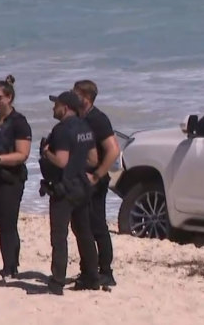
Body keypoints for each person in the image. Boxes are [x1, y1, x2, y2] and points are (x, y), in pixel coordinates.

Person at [40, 90, 100, 295]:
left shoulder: (61, 130)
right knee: (84, 233)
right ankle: (92, 276)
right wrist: (77, 162)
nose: (53, 107)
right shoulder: (86, 127)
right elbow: (93, 160)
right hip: (82, 187)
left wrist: (46, 152)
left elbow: (62, 161)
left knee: (59, 236)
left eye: (56, 104)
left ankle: (57, 282)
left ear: (65, 107)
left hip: (64, 188)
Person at [0, 75, 32, 281]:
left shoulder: (19, 123)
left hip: (10, 179)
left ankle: (10, 267)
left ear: (9, 98)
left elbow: (23, 154)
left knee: (7, 223)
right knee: (0, 223)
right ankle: (11, 261)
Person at [73, 80, 120, 287]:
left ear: (86, 97)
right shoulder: (79, 118)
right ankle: (89, 268)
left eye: (75, 94)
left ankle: (106, 271)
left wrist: (98, 175)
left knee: (97, 226)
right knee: (82, 227)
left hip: (95, 181)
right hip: (80, 180)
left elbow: (113, 150)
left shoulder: (98, 119)